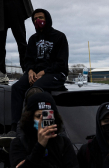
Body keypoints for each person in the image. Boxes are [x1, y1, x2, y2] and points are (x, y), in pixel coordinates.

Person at [8, 9, 68, 139]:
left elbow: (61, 63)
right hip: (35, 72)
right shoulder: (33, 39)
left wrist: (44, 72)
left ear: (47, 19)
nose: (37, 21)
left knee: (36, 90)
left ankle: (49, 127)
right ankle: (15, 127)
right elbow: (28, 60)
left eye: (40, 17)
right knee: (17, 88)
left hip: (56, 73)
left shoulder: (59, 37)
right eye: (35, 19)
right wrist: (29, 71)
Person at [9, 92, 78, 168]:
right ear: (30, 118)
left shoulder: (63, 143)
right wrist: (40, 146)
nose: (43, 120)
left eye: (47, 116)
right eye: (39, 116)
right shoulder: (19, 143)